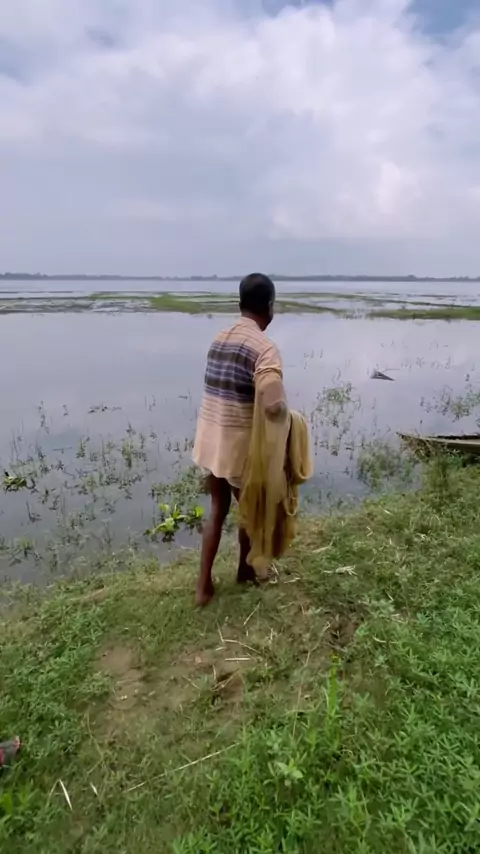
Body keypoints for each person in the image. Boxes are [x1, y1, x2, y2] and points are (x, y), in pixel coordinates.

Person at [192, 273, 287, 606]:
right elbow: (272, 399)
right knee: (250, 511)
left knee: (217, 510)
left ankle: (203, 586)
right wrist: (282, 413)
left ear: (240, 304)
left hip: (211, 441)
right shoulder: (264, 348)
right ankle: (246, 571)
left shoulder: (219, 337)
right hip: (237, 448)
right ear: (270, 307)